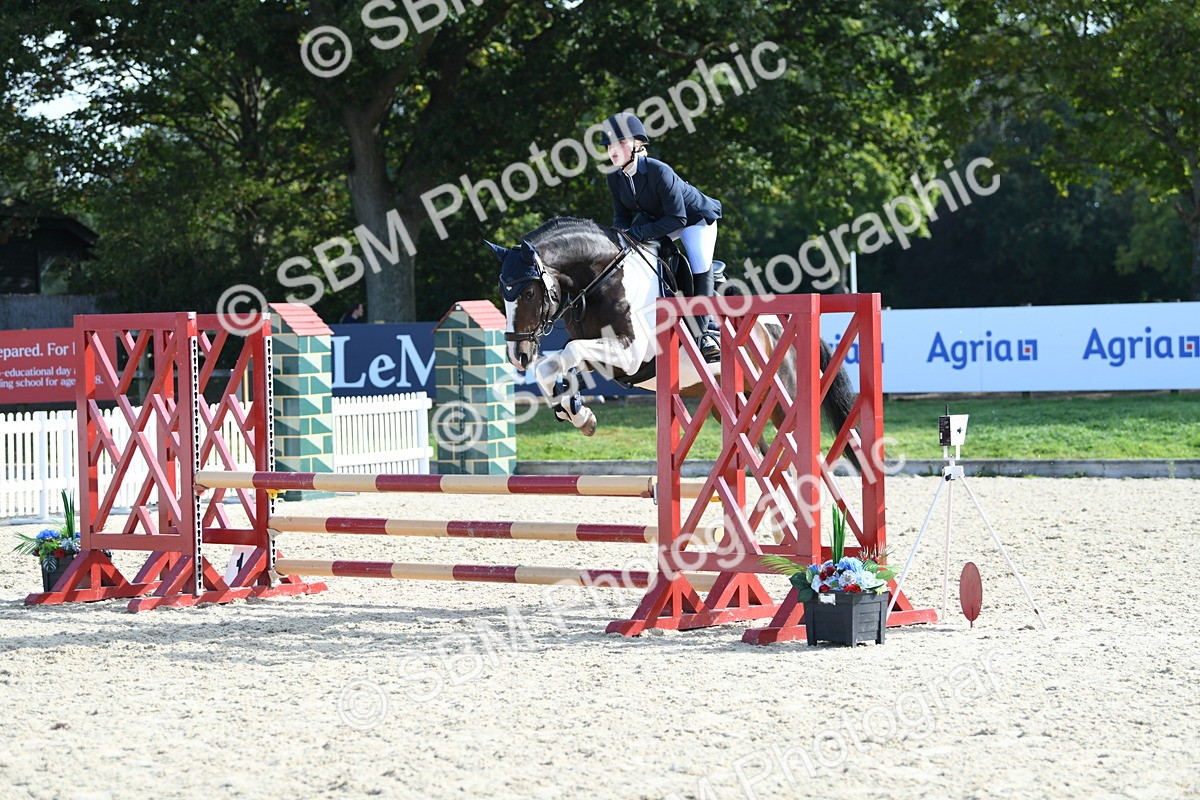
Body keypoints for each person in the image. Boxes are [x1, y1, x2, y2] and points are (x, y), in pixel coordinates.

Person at [599, 112, 722, 361]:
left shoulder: (658, 171)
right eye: (610, 145)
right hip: (660, 219)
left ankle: (705, 333)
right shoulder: (615, 176)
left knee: (699, 265)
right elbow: (622, 217)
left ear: (637, 145)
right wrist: (616, 238)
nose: (614, 150)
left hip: (694, 219)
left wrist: (638, 232)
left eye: (621, 144)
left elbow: (678, 219)